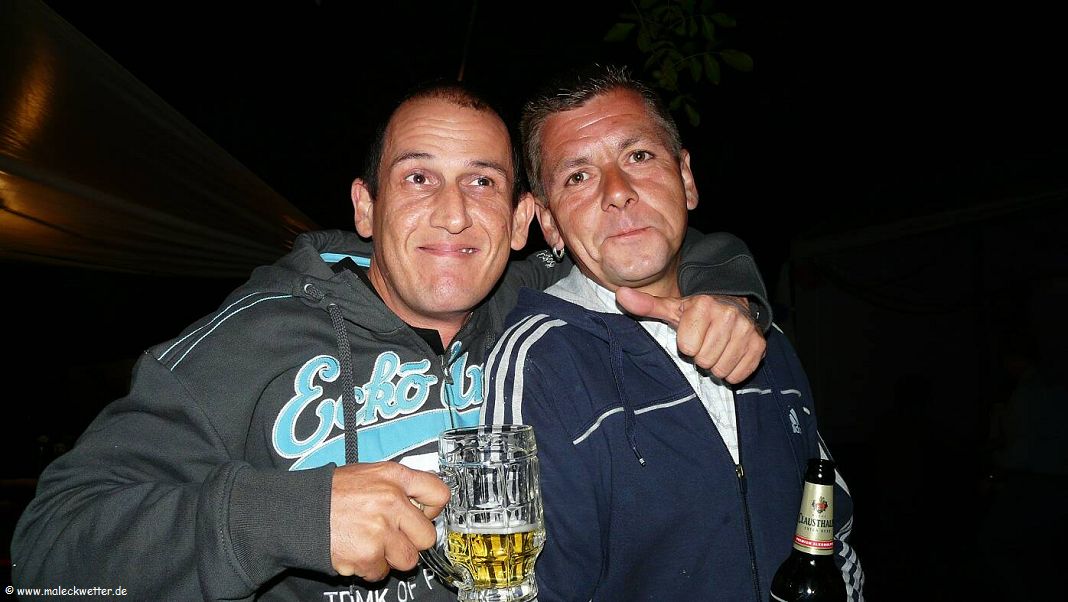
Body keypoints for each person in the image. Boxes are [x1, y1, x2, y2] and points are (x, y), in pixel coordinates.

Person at [11, 81, 771, 601]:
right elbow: (46, 556)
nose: (452, 213)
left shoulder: (538, 309)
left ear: (520, 222)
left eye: (482, 181)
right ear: (365, 208)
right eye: (417, 179)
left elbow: (644, 240)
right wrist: (291, 518)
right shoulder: (252, 338)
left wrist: (730, 294)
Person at [481, 64, 865, 601]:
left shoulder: (764, 337)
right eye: (578, 176)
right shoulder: (540, 365)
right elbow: (517, 591)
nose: (618, 192)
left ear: (686, 178)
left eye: (639, 156)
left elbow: (830, 524)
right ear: (549, 223)